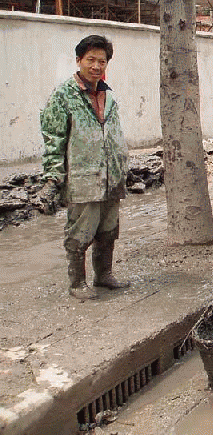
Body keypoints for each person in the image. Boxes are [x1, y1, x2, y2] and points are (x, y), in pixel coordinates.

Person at [39, 35, 130, 300]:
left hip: (111, 178)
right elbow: (54, 140)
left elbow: (115, 135)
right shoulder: (63, 95)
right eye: (90, 60)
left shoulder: (108, 94)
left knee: (109, 230)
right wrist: (53, 177)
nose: (96, 66)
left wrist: (122, 167)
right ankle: (77, 283)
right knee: (80, 233)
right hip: (83, 178)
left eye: (102, 61)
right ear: (79, 60)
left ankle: (104, 276)